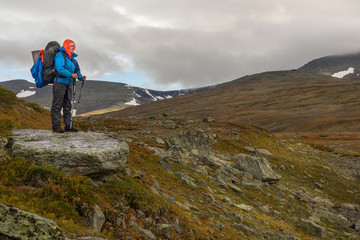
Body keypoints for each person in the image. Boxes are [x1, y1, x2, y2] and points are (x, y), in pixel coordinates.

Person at [51, 39, 86, 133]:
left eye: (73, 46)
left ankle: (68, 126)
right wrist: (71, 75)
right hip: (59, 82)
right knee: (57, 104)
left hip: (69, 84)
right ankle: (56, 126)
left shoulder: (73, 60)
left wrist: (80, 77)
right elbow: (59, 68)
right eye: (70, 46)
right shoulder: (60, 55)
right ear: (66, 45)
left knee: (67, 105)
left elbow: (77, 71)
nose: (72, 47)